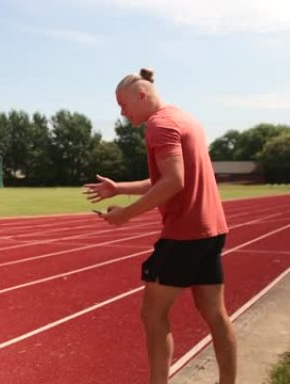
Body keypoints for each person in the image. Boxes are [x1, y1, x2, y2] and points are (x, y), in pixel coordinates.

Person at [83, 68, 237, 384]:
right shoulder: (183, 117)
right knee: (215, 315)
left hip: (185, 233)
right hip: (212, 228)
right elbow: (165, 178)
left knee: (152, 314)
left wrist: (126, 214)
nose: (122, 113)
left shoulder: (159, 125)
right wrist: (120, 188)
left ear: (142, 95)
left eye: (123, 105)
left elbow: (174, 182)